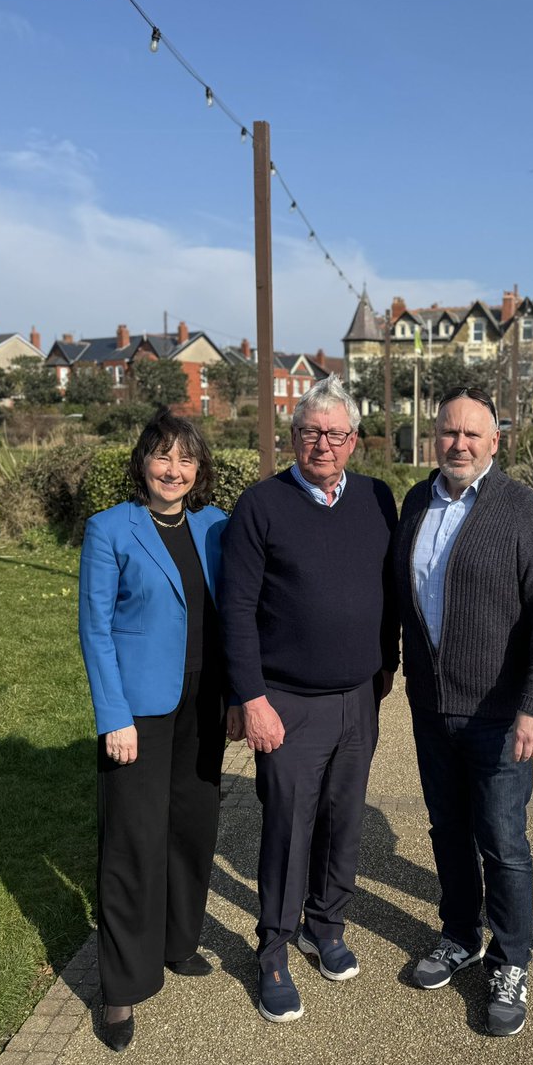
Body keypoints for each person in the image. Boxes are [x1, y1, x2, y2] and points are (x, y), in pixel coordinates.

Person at [220, 374, 398, 1023]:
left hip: (359, 695)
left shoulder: (379, 500)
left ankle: (326, 926)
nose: (322, 444)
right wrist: (251, 697)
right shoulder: (261, 506)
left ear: (353, 441)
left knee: (343, 819)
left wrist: (388, 666)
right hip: (287, 700)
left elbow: (391, 591)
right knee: (287, 826)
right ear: (293, 436)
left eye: (335, 433)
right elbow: (235, 610)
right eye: (310, 432)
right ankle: (271, 949)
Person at [394, 387, 533, 1037]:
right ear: (433, 437)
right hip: (431, 709)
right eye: (448, 433)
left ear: (495, 442)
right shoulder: (416, 501)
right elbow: (400, 594)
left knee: (503, 842)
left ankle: (511, 959)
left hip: (499, 715)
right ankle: (461, 934)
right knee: (446, 830)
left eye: (473, 435)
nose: (459, 445)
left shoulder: (522, 511)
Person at [78, 408, 242, 1052]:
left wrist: (232, 697)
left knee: (193, 826)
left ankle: (179, 942)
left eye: (186, 459)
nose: (174, 471)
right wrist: (113, 715)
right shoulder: (110, 528)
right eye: (163, 457)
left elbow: (230, 620)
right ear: (143, 462)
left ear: (199, 469)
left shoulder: (215, 526)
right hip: (139, 711)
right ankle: (121, 985)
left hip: (202, 703)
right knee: (132, 839)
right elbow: (94, 629)